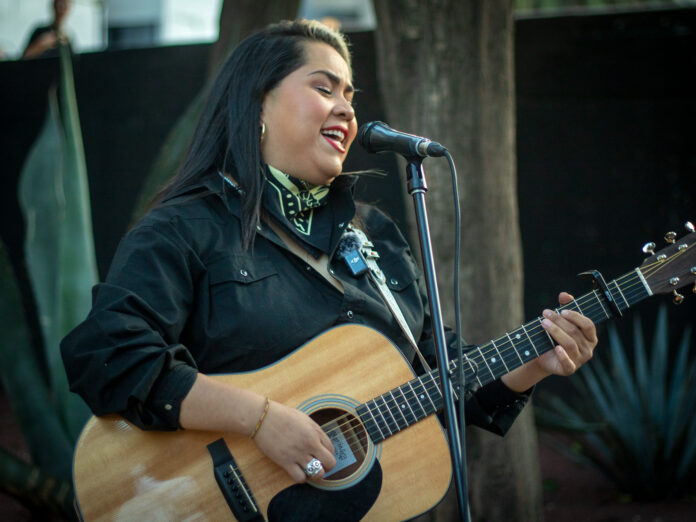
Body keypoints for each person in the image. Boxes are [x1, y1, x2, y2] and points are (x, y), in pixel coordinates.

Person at [60, 19, 597, 519]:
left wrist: (537, 359)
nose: (345, 108)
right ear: (258, 103)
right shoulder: (185, 228)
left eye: (349, 95)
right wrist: (261, 419)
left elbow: (441, 370)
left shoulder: (375, 235)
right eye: (324, 88)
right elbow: (108, 354)